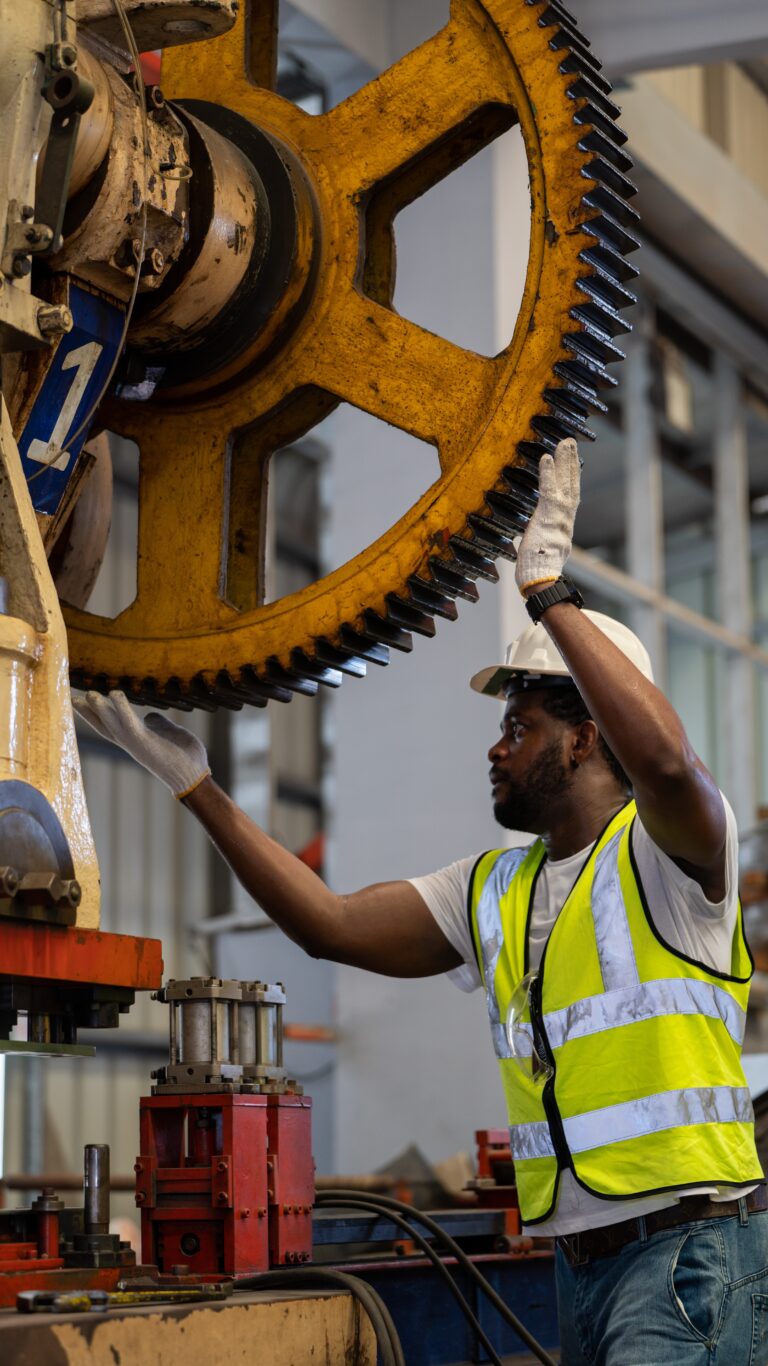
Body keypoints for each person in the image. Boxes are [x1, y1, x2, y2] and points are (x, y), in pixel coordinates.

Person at [75, 438, 768, 1364]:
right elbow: (328, 925)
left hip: (689, 1258)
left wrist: (549, 594)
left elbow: (671, 764)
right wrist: (195, 785)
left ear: (583, 742)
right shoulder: (495, 889)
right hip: (579, 1262)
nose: (495, 749)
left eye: (518, 728)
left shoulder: (673, 859)